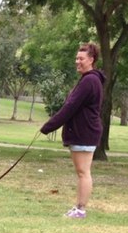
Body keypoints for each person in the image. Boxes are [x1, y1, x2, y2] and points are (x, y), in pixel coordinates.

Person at [40, 42, 106, 219]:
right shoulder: (90, 79)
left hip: (85, 132)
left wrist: (48, 127)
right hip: (85, 131)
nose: (78, 61)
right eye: (76, 58)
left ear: (91, 60)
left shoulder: (90, 80)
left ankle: (80, 209)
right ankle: (78, 207)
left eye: (81, 58)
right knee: (82, 172)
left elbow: (70, 107)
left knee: (83, 172)